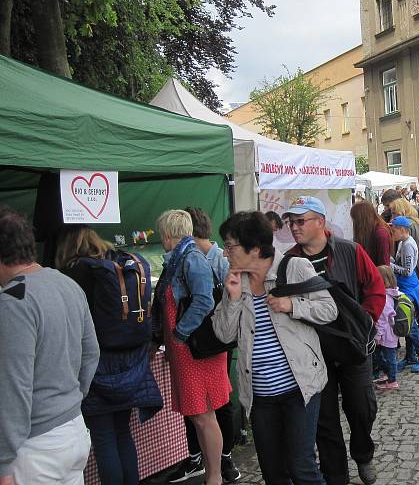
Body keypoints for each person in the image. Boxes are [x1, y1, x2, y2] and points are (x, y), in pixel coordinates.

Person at [212, 211, 337, 484]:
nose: (225, 252)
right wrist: (232, 300)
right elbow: (223, 335)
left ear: (255, 248)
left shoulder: (294, 268)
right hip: (260, 396)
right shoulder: (236, 280)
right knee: (272, 471)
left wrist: (293, 305)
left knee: (301, 466)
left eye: (231, 246)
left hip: (299, 388)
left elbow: (329, 309)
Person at [281, 196, 384, 485]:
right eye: (291, 221)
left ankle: (363, 455)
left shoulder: (351, 251)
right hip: (316, 353)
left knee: (362, 408)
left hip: (353, 347)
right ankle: (336, 476)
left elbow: (375, 288)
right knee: (324, 421)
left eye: (301, 221)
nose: (294, 227)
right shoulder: (290, 261)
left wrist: (364, 324)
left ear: (321, 222)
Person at [55, 226, 163, 485]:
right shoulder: (118, 263)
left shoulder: (75, 271)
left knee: (104, 439)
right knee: (122, 433)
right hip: (131, 361)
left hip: (97, 365)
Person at [0, 207, 100, 485]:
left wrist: (3, 462)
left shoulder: (12, 302)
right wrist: (70, 400)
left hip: (36, 446)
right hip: (73, 431)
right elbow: (91, 354)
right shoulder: (66, 284)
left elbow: (12, 386)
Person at [164, 207, 241, 484]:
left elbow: (204, 301)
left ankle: (216, 474)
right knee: (201, 416)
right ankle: (211, 471)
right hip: (193, 349)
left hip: (198, 348)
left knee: (206, 415)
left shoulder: (190, 258)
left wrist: (180, 333)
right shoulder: (184, 257)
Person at [389, 216, 419, 374]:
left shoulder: (408, 244)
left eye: (393, 230)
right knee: (409, 324)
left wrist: (390, 265)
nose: (391, 232)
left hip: (409, 289)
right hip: (406, 287)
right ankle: (411, 357)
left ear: (402, 230)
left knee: (411, 325)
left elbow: (407, 271)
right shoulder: (403, 242)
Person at [381, 188, 419, 273]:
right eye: (385, 206)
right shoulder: (385, 216)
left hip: (415, 262)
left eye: (388, 206)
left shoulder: (418, 212)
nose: (386, 209)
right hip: (395, 263)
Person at [373, 265, 400, 391]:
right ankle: (388, 374)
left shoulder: (384, 298)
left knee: (390, 358)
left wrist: (377, 336)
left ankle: (392, 380)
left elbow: (382, 320)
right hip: (388, 333)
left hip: (387, 334)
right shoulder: (392, 293)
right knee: (381, 356)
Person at [350, 200, 392, 267]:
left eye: (355, 219)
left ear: (362, 218)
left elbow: (384, 265)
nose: (354, 223)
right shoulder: (368, 231)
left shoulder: (381, 234)